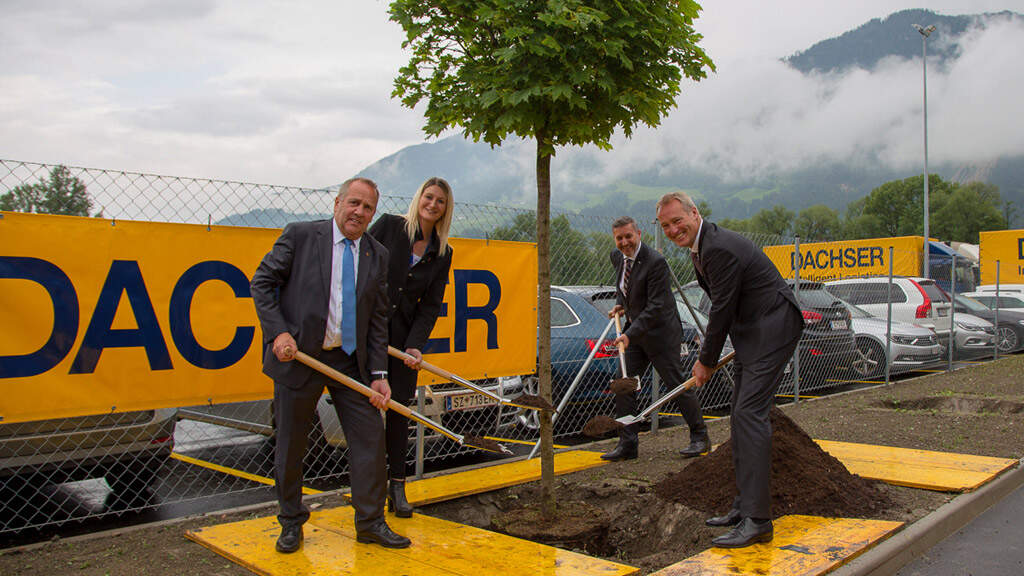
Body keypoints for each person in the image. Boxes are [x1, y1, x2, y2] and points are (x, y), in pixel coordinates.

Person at [250, 177, 411, 553]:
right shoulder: (301, 236)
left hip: (348, 360)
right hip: (300, 356)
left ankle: (370, 522)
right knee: (291, 444)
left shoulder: (377, 254)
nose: (359, 212)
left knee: (370, 437)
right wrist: (278, 334)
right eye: (354, 203)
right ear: (338, 202)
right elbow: (262, 282)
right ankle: (291, 522)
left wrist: (380, 375)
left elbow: (377, 320)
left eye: (367, 208)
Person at [655, 191, 803, 549]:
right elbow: (730, 303)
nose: (674, 230)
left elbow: (720, 308)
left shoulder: (717, 247)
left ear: (694, 212)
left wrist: (705, 360)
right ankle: (742, 507)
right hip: (753, 330)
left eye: (678, 221)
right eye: (666, 226)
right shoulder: (702, 247)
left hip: (773, 325)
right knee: (740, 414)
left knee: (750, 415)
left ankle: (758, 520)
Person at [368, 176, 454, 517]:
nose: (432, 204)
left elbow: (431, 305)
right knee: (366, 412)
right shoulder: (390, 227)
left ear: (446, 209)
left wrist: (416, 346)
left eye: (440, 201)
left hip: (402, 344)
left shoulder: (443, 252)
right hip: (369, 335)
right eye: (428, 197)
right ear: (419, 197)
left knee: (400, 413)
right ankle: (369, 489)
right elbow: (359, 264)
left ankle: (398, 488)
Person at [605, 216, 710, 462]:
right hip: (636, 332)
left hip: (661, 333)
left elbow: (656, 306)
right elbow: (624, 286)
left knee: (676, 384)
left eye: (628, 236)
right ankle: (628, 444)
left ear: (639, 234)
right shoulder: (617, 257)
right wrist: (621, 304)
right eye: (619, 238)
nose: (624, 242)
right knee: (624, 383)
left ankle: (700, 437)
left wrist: (628, 334)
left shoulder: (656, 262)